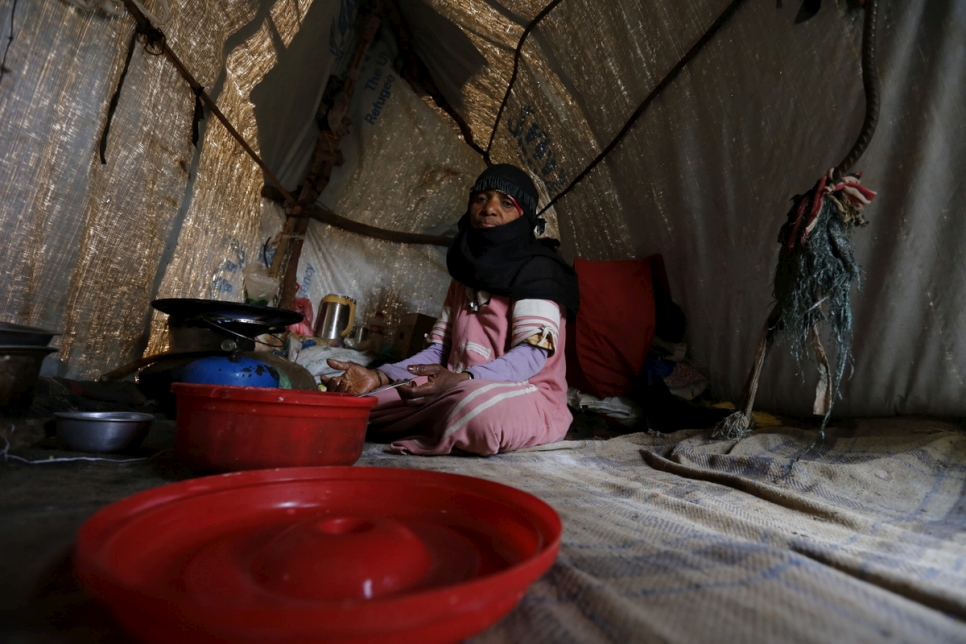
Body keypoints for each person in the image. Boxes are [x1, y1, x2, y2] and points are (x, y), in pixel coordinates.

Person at [321, 164, 579, 456]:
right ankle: (437, 420)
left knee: (473, 410)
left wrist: (462, 379)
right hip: (454, 387)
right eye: (481, 198)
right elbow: (438, 352)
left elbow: (529, 358)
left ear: (525, 217)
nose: (489, 209)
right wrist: (380, 377)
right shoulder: (464, 273)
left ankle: (438, 420)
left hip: (527, 395)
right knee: (359, 407)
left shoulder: (540, 271)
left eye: (506, 203)